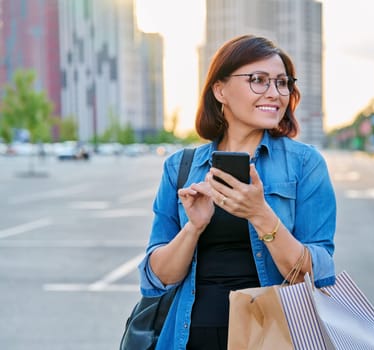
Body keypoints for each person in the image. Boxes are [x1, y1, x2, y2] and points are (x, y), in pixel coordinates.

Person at [138, 34, 337, 350]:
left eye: (282, 83)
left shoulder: (305, 164)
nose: (275, 93)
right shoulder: (180, 167)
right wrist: (194, 227)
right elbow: (157, 278)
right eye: (258, 80)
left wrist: (260, 213)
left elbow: (314, 275)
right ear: (220, 90)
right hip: (189, 337)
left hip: (273, 336)